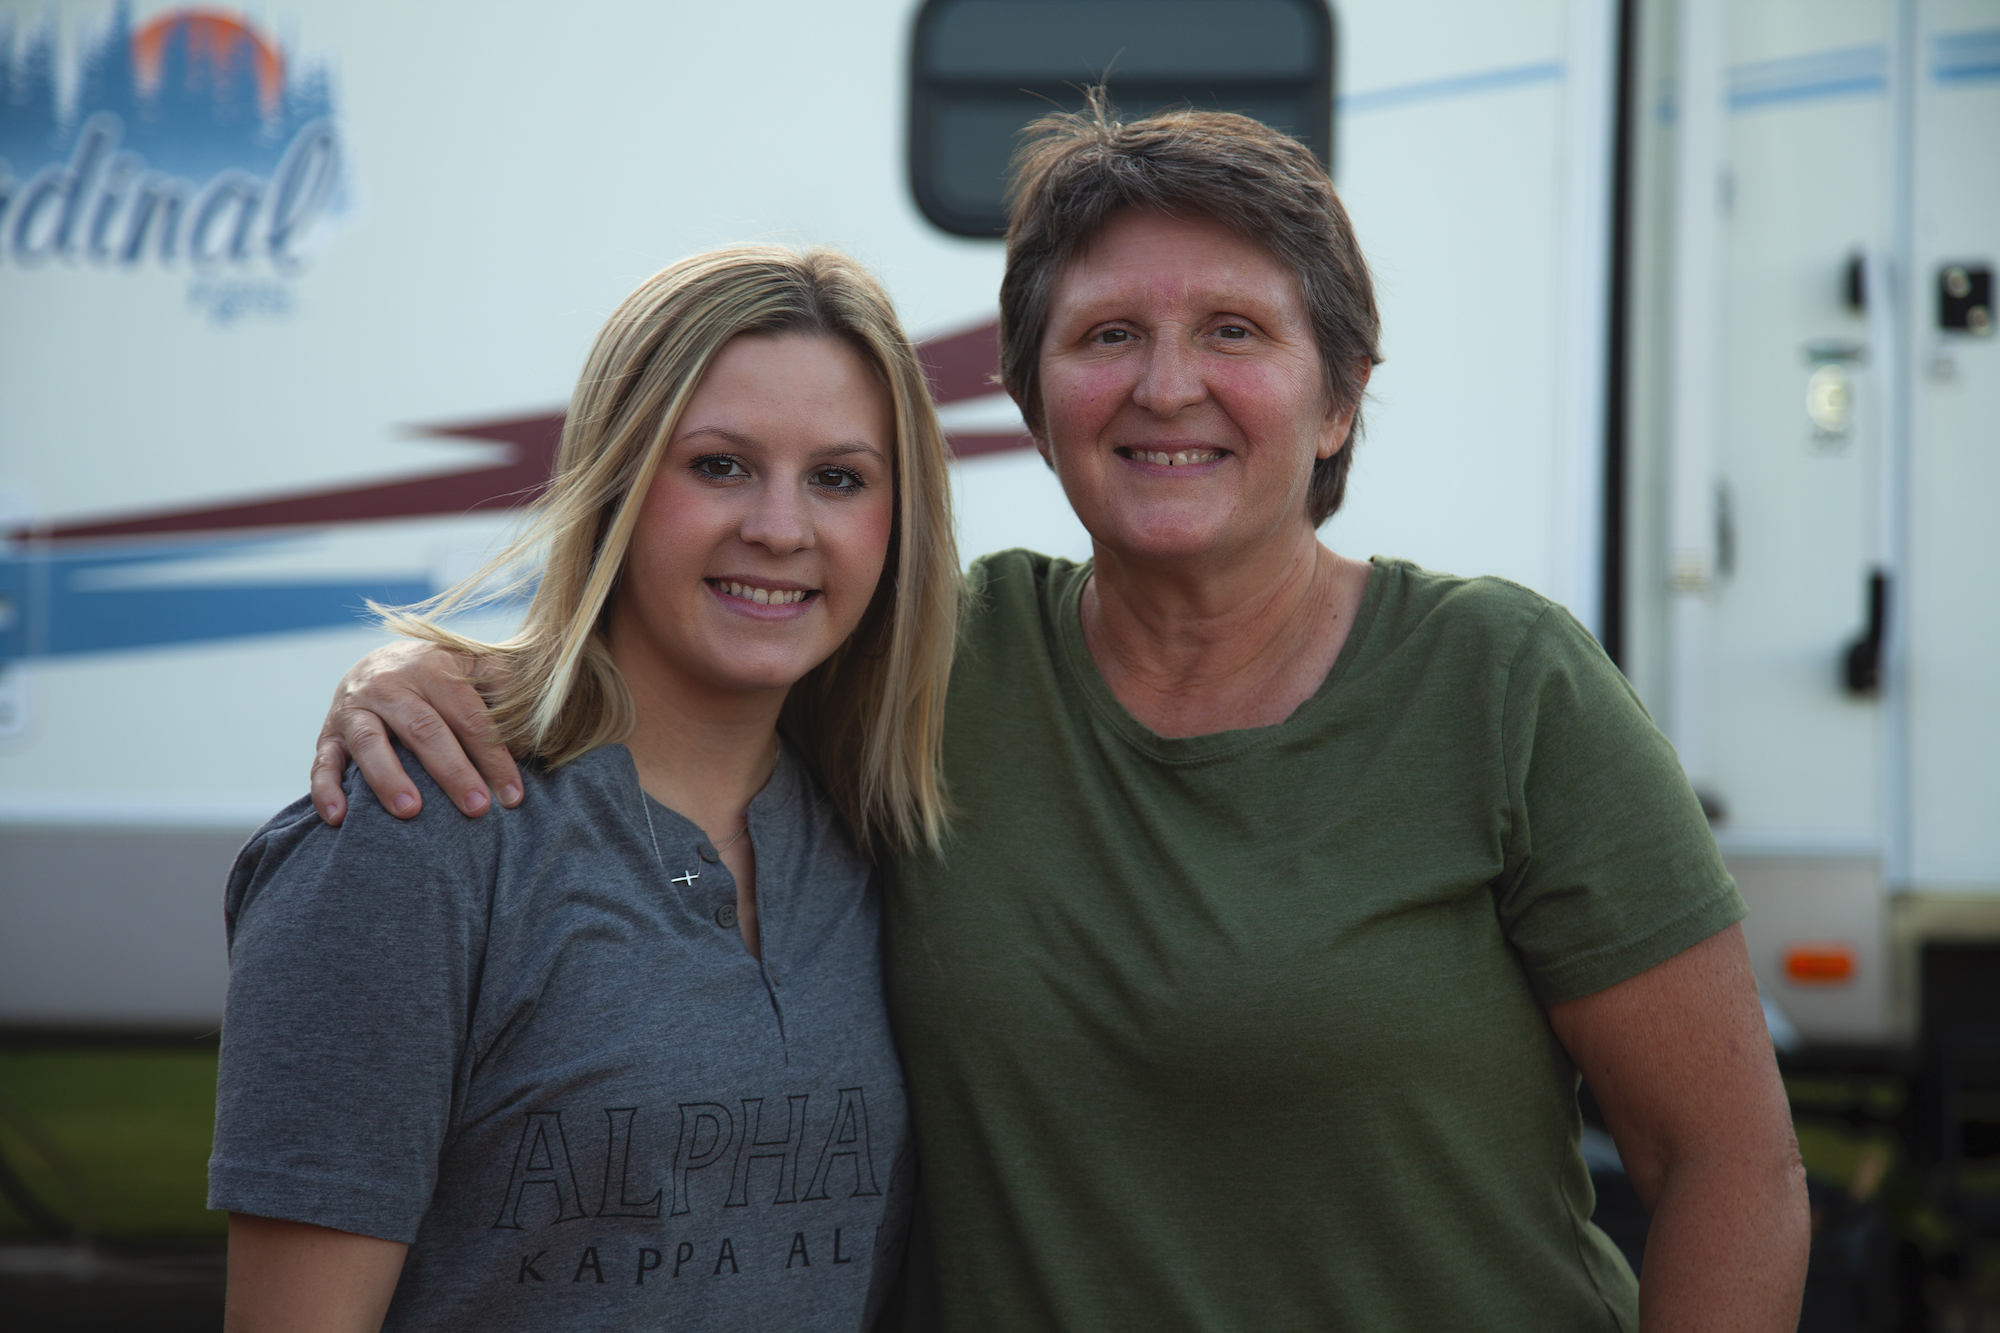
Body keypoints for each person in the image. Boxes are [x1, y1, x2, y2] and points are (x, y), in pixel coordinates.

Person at [308, 98, 1811, 1330]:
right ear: (1030, 397)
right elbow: (689, 639)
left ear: (1341, 396)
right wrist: (427, 678)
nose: (1169, 386)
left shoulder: (1504, 683)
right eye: (1106, 337)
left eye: (1236, 331)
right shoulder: (919, 662)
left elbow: (1730, 1168)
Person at [209, 245, 961, 1332]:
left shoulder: (876, 831)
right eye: (718, 465)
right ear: (614, 477)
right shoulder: (416, 832)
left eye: (838, 478)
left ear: (896, 526)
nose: (781, 528)